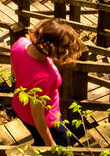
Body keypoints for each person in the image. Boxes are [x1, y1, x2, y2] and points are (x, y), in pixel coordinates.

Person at [9, 17, 82, 147]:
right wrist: (50, 142)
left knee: (39, 139)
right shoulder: (45, 77)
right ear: (55, 48)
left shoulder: (20, 43)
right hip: (46, 119)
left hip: (20, 105)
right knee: (62, 144)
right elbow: (37, 115)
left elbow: (20, 72)